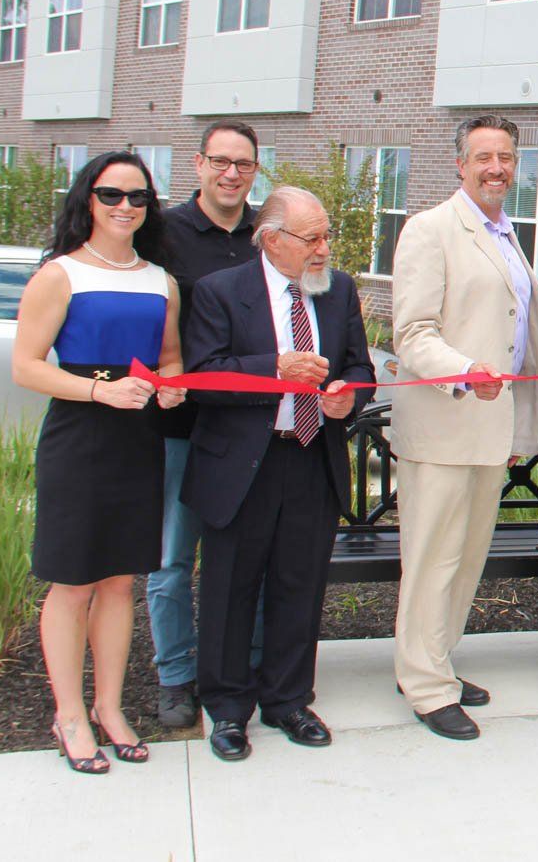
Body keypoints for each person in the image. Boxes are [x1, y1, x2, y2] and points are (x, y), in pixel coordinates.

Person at [180, 187, 372, 761]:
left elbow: (360, 365)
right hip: (243, 464)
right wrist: (275, 368)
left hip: (312, 455)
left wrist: (347, 398)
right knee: (230, 590)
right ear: (271, 240)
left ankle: (288, 699)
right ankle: (228, 709)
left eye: (326, 235)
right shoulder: (221, 292)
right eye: (311, 238)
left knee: (300, 585)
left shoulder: (338, 292)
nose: (323, 249)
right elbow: (205, 375)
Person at [12, 152, 186, 773]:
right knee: (74, 581)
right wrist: (98, 390)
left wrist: (171, 384)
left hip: (138, 440)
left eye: (138, 198)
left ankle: (110, 708)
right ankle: (69, 715)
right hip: (80, 438)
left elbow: (168, 356)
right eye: (112, 195)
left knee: (120, 583)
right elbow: (27, 365)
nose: (125, 207)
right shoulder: (59, 275)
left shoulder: (160, 280)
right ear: (89, 198)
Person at [390, 115, 538, 741]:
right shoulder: (431, 230)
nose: (497, 168)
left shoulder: (506, 234)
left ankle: (435, 662)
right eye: (484, 157)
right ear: (459, 164)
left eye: (506, 157)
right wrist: (465, 371)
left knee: (464, 562)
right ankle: (425, 685)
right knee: (433, 559)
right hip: (443, 426)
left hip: (491, 427)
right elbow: (412, 334)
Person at [148, 121, 264, 730]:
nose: (231, 174)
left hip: (248, 431)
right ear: (197, 164)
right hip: (178, 425)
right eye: (220, 161)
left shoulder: (267, 233)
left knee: (250, 556)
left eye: (243, 164)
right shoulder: (161, 234)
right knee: (172, 559)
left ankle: (248, 667)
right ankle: (175, 675)